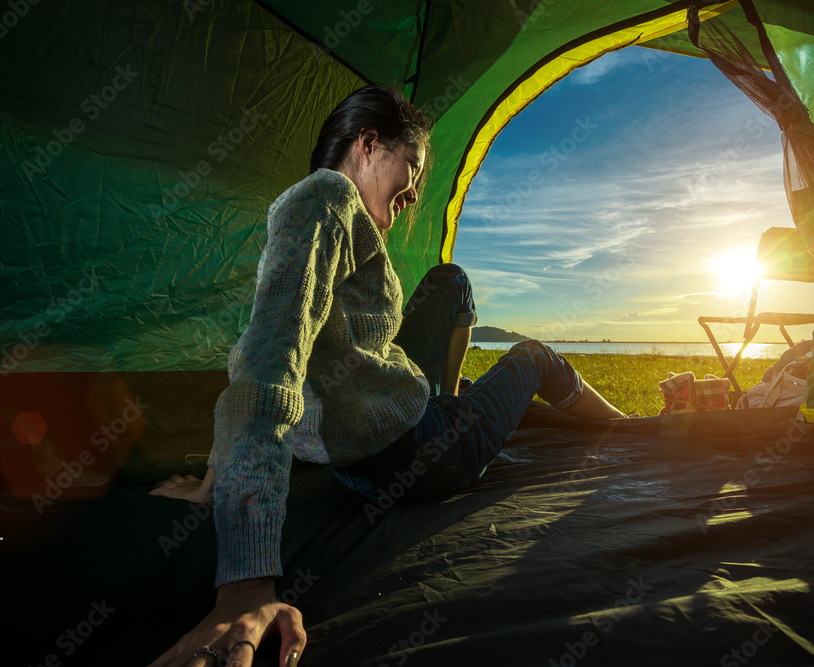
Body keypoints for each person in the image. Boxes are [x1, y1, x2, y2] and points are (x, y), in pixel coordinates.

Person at [148, 85, 629, 667]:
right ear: (369, 144)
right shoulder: (325, 198)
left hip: (377, 420)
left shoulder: (326, 222)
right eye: (413, 169)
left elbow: (265, 341)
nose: (416, 193)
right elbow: (266, 366)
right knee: (532, 356)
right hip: (420, 454)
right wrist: (246, 584)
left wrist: (211, 480)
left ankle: (450, 397)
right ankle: (630, 428)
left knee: (449, 279)